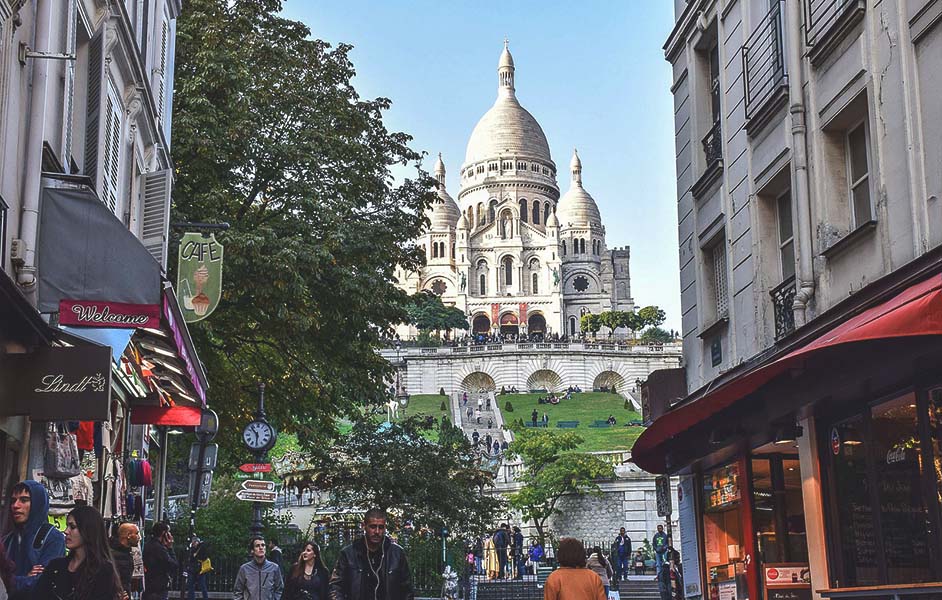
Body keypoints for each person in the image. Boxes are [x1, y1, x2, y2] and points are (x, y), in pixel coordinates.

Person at [33, 505, 124, 600]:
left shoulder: (103, 570)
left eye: (72, 527)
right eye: (67, 526)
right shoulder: (56, 566)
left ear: (88, 530)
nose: (66, 531)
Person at [329, 508, 414, 600]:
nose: (377, 532)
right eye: (373, 527)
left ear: (385, 528)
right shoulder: (348, 554)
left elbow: (407, 590)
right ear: (364, 526)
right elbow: (335, 587)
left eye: (381, 527)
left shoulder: (397, 553)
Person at [3, 480, 65, 598]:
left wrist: (11, 580)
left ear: (38, 503)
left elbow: (42, 583)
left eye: (24, 500)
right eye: (13, 501)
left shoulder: (52, 538)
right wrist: (26, 578)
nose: (16, 505)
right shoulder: (8, 540)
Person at [142, 522, 177, 600]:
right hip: (158, 588)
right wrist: (170, 548)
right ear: (164, 533)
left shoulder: (148, 545)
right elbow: (173, 565)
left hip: (148, 586)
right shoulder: (159, 549)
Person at [110, 522, 140, 595]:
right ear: (128, 535)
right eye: (136, 533)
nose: (139, 537)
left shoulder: (128, 553)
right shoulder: (113, 555)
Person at [187, 536, 210, 600]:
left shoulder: (202, 547)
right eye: (193, 543)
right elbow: (190, 558)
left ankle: (205, 598)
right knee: (191, 586)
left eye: (195, 542)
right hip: (192, 570)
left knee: (203, 586)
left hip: (201, 569)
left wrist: (200, 545)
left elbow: (204, 556)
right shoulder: (191, 549)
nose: (194, 544)